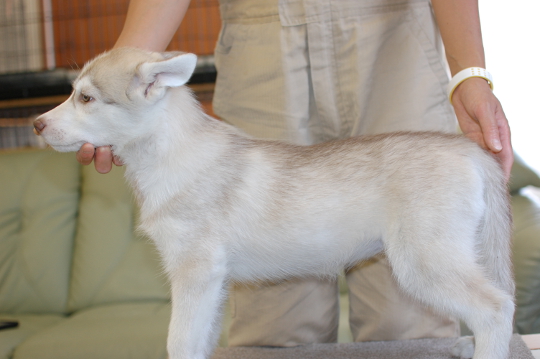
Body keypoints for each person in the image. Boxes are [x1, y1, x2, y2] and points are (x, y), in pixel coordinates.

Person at [76, 0, 513, 347]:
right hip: (261, 42)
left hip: (391, 35)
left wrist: (470, 73)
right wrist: (118, 77)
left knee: (408, 317)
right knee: (277, 327)